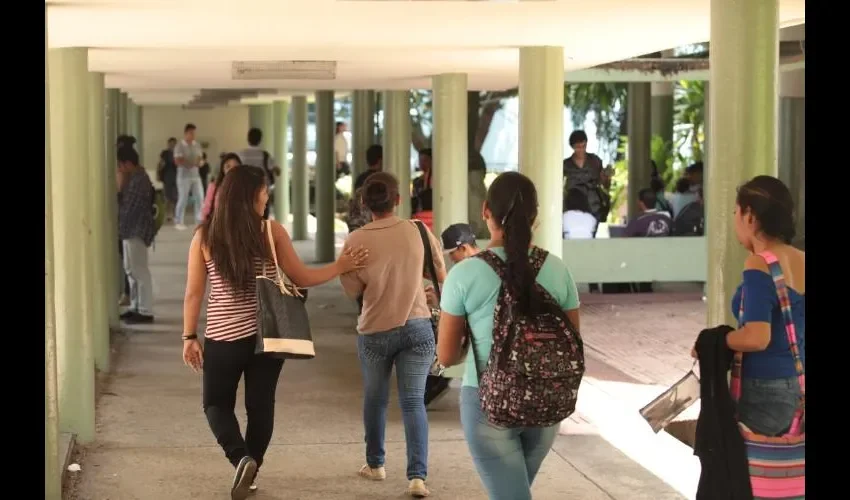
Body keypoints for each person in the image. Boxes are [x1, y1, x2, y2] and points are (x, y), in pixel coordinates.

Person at [181, 166, 368, 500]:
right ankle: (251, 470)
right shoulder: (271, 232)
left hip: (223, 336)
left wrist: (188, 337)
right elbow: (302, 277)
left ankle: (241, 459)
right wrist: (339, 267)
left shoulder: (205, 236)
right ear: (253, 195)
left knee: (215, 403)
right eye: (265, 191)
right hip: (267, 336)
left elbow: (194, 293)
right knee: (260, 405)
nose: (268, 197)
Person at [436, 172, 581, 500]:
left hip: (489, 404)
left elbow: (446, 357)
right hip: (547, 403)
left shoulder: (465, 274)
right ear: (536, 217)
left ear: (486, 211)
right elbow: (573, 341)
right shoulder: (557, 269)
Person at [339, 172, 446, 498]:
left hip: (374, 330)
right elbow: (440, 273)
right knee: (414, 402)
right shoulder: (418, 230)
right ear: (398, 199)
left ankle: (376, 464)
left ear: (364, 203)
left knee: (376, 399)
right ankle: (417, 477)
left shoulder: (356, 240)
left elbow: (351, 289)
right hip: (417, 326)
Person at [691, 175, 804, 437]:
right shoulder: (802, 259)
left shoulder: (759, 264)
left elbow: (756, 337)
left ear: (749, 216)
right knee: (786, 469)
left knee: (745, 472)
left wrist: (712, 342)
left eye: (735, 213)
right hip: (797, 384)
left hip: (764, 388)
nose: (735, 220)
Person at [422, 223, 481, 407]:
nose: (452, 260)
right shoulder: (483, 263)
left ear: (463, 248)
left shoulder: (474, 269)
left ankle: (437, 377)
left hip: (478, 330)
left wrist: (439, 304)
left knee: (428, 332)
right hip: (476, 325)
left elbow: (467, 310)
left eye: (453, 255)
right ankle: (436, 378)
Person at [116, 145, 156, 324]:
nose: (119, 169)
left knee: (139, 270)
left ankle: (145, 310)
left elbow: (128, 207)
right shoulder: (135, 178)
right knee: (130, 269)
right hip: (129, 230)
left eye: (120, 165)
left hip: (136, 230)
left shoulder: (139, 180)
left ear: (128, 163)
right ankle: (135, 306)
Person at [563, 130, 610, 227]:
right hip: (573, 206)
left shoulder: (595, 161)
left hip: (593, 206)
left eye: (583, 146)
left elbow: (604, 184)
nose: (581, 150)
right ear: (572, 147)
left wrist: (606, 177)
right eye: (578, 147)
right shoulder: (566, 165)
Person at [173, 123, 206, 230]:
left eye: (194, 133)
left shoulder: (197, 145)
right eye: (191, 133)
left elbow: (200, 158)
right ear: (186, 133)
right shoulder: (180, 145)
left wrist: (200, 162)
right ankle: (178, 221)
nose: (193, 135)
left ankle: (198, 220)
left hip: (195, 175)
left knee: (200, 197)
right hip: (183, 177)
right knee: (183, 198)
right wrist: (191, 164)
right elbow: (178, 160)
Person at [201, 153, 242, 222]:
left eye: (235, 166)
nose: (232, 169)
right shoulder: (213, 187)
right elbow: (206, 209)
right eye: (228, 166)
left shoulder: (246, 188)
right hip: (217, 226)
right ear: (223, 169)